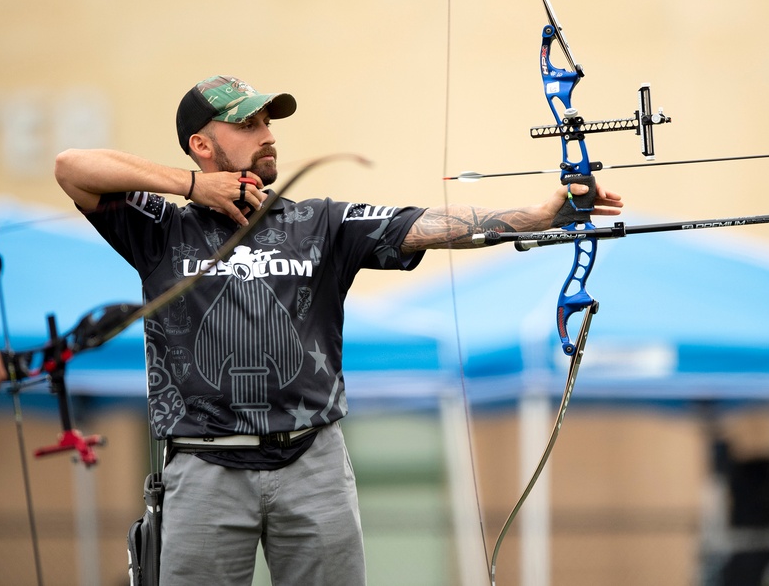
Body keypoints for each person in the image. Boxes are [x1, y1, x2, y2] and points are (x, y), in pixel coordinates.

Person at [53, 75, 622, 586]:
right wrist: (191, 186)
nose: (266, 133)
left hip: (312, 465)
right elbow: (71, 167)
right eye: (247, 124)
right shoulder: (162, 229)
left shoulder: (318, 223)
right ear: (202, 145)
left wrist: (539, 216)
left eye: (267, 121)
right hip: (204, 466)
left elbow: (429, 225)